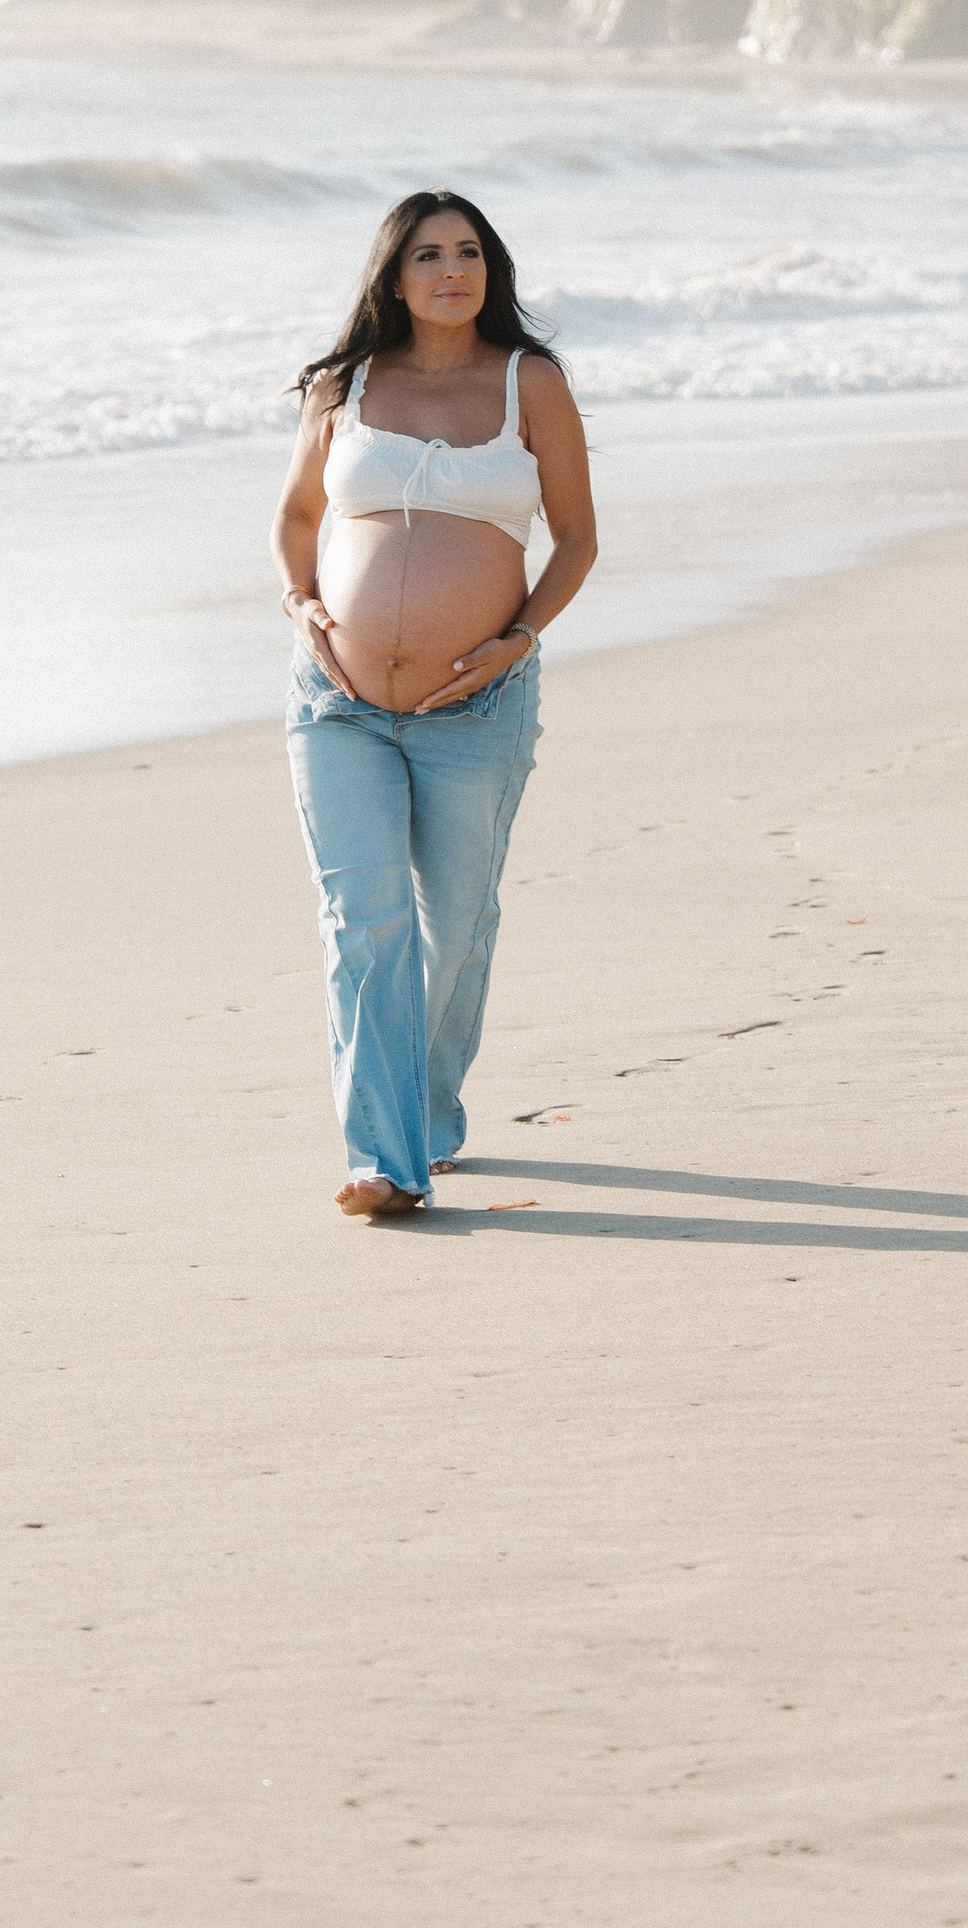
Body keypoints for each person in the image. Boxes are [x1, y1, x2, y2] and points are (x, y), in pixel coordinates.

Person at [271, 189, 598, 1219]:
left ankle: (427, 1107)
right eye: (426, 254)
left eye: (467, 252)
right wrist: (304, 603)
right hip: (339, 701)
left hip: (477, 708)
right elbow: (295, 515)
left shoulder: (528, 382)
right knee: (364, 920)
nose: (450, 270)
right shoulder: (343, 384)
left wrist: (516, 637)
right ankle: (384, 1156)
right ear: (393, 274)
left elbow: (577, 536)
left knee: (452, 925)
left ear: (489, 268)